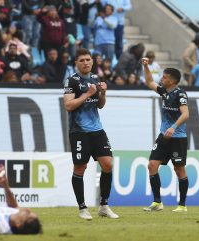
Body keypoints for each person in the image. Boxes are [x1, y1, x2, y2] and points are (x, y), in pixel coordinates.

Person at [63, 48, 118, 219]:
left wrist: (103, 93)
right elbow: (68, 106)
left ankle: (104, 206)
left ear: (92, 62)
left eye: (88, 60)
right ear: (76, 63)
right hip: (79, 132)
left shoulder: (95, 78)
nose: (86, 63)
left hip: (97, 130)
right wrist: (87, 94)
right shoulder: (71, 81)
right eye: (82, 60)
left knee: (108, 165)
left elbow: (100, 105)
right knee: (80, 168)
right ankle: (82, 208)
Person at [141, 57, 190, 212]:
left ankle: (182, 206)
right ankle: (157, 203)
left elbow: (186, 114)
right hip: (163, 137)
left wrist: (173, 127)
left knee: (179, 170)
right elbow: (149, 82)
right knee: (151, 165)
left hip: (177, 138)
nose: (161, 79)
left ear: (172, 81)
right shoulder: (164, 91)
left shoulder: (180, 94)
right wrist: (146, 66)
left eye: (164, 77)